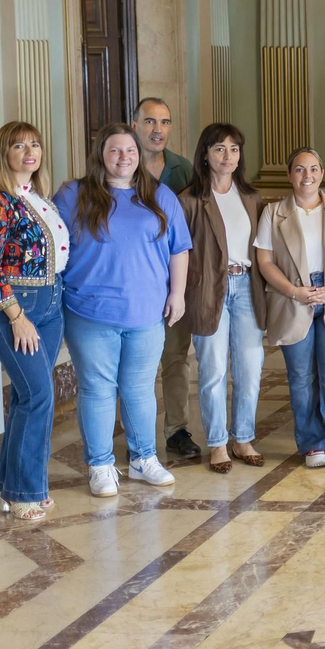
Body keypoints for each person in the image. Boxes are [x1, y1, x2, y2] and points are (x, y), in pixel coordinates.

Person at [55, 122, 191, 497]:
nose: (124, 157)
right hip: (89, 311)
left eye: (130, 151)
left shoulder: (160, 196)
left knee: (140, 389)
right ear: (101, 154)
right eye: (115, 150)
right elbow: (52, 245)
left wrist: (177, 294)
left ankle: (143, 458)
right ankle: (100, 464)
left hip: (147, 313)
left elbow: (180, 248)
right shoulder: (73, 194)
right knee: (98, 390)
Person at [0, 122, 70, 520]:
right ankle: (27, 490)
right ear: (4, 154)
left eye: (35, 144)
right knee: (38, 396)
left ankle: (11, 485)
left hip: (50, 302)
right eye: (18, 145)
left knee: (31, 399)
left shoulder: (40, 198)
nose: (30, 151)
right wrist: (16, 316)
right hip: (14, 305)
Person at [255, 147, 325, 469]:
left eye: (314, 169)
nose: (308, 176)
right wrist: (294, 291)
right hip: (292, 298)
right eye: (300, 170)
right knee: (302, 378)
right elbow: (264, 260)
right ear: (290, 175)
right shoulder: (273, 213)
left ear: (322, 174)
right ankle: (312, 443)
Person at [177, 124, 268, 474]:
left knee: (250, 367)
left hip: (246, 286)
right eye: (219, 149)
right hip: (207, 290)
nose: (227, 156)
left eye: (234, 149)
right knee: (213, 369)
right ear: (205, 153)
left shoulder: (252, 197)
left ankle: (242, 437)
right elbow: (180, 252)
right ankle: (217, 442)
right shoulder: (189, 200)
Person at [135, 96, 202, 462]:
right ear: (135, 126)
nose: (157, 129)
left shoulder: (184, 169)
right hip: (135, 282)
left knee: (176, 357)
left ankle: (177, 429)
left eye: (164, 122)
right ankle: (138, 433)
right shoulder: (119, 165)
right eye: (149, 121)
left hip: (175, 282)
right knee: (135, 363)